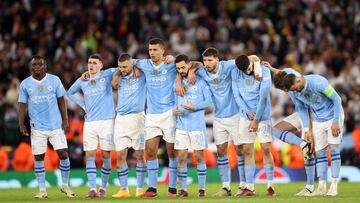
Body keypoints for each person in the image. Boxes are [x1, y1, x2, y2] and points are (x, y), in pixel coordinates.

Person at [18, 55, 75, 198]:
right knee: (39, 157)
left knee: (63, 153)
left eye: (39, 64)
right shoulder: (25, 84)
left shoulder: (54, 80)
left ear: (45, 66)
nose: (37, 67)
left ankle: (65, 185)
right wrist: (21, 123)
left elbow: (62, 101)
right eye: (34, 65)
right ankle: (42, 190)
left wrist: (65, 120)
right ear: (31, 67)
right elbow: (22, 105)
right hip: (37, 127)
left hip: (56, 126)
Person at [131, 38, 178, 197]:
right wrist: (131, 68)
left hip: (169, 114)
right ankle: (152, 189)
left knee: (172, 153)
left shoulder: (171, 64)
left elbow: (192, 64)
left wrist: (176, 58)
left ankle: (172, 189)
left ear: (163, 51)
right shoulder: (144, 64)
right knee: (150, 152)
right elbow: (126, 61)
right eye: (150, 50)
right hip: (151, 115)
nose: (152, 53)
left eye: (155, 50)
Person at [283, 73, 344, 196]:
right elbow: (302, 110)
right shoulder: (296, 91)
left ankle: (334, 185)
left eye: (294, 89)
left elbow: (337, 99)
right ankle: (321, 187)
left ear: (299, 81)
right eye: (292, 91)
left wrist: (336, 121)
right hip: (317, 120)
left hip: (333, 117)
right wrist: (307, 130)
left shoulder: (318, 83)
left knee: (334, 150)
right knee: (320, 153)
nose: (295, 92)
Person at [262, 61, 315, 196]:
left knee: (310, 150)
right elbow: (282, 72)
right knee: (276, 130)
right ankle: (302, 144)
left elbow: (308, 108)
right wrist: (271, 68)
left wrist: (309, 130)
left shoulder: (298, 88)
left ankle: (311, 187)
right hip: (300, 112)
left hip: (313, 114)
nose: (286, 92)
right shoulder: (289, 73)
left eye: (285, 90)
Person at [67, 54, 115, 198]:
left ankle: (103, 188)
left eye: (94, 63)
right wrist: (82, 105)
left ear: (101, 65)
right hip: (90, 123)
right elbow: (69, 92)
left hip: (107, 121)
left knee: (106, 155)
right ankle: (93, 188)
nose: (91, 65)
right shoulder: (83, 80)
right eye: (89, 63)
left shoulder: (107, 74)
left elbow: (124, 66)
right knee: (89, 155)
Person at [231, 54, 275, 196]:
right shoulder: (236, 72)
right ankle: (250, 187)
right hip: (246, 116)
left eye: (249, 68)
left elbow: (263, 97)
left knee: (266, 149)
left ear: (252, 63)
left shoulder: (264, 71)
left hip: (263, 117)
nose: (247, 72)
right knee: (247, 150)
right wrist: (247, 111)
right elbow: (237, 95)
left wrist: (256, 119)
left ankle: (270, 185)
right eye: (244, 70)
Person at [173, 54, 212, 197]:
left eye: (183, 67)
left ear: (189, 65)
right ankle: (183, 189)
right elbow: (173, 102)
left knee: (199, 156)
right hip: (181, 125)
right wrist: (174, 110)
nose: (181, 70)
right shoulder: (176, 83)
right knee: (181, 156)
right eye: (178, 68)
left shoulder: (201, 81)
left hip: (197, 125)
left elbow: (209, 103)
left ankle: (202, 189)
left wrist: (194, 107)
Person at [110, 53, 147, 198]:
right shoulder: (117, 75)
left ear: (132, 64)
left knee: (139, 155)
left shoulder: (142, 75)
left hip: (137, 118)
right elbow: (99, 73)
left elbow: (147, 63)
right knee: (120, 155)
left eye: (125, 66)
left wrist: (137, 66)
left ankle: (139, 189)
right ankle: (124, 189)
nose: (122, 69)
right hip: (120, 119)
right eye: (120, 67)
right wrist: (116, 74)